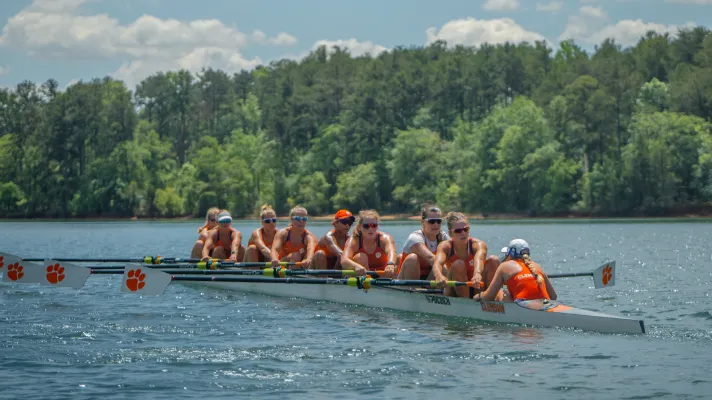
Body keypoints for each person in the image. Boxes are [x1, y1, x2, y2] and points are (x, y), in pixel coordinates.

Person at [473, 239, 557, 302]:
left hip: (524, 306)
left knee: (500, 292)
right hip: (545, 303)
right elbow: (553, 297)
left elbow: (489, 297)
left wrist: (479, 296)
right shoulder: (537, 267)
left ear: (510, 253)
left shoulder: (504, 266)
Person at [431, 212, 492, 298]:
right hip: (454, 289)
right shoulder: (445, 246)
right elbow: (437, 264)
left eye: (466, 229)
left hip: (476, 286)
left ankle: (488, 298)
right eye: (458, 231)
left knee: (494, 260)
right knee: (459, 264)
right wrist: (439, 276)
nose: (463, 233)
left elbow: (480, 259)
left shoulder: (478, 244)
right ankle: (465, 302)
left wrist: (477, 274)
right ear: (451, 233)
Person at [397, 203, 450, 280]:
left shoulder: (443, 237)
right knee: (412, 258)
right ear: (422, 221)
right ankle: (413, 289)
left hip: (429, 279)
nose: (436, 224)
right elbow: (431, 258)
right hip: (407, 279)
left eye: (439, 221)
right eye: (431, 221)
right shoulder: (415, 238)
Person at [341, 210, 398, 278]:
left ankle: (398, 286)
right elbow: (344, 260)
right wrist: (356, 266)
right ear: (360, 227)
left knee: (399, 258)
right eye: (366, 226)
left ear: (377, 226)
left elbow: (391, 252)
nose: (370, 229)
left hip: (382, 274)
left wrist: (390, 264)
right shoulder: (354, 240)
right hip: (363, 276)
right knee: (360, 257)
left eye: (374, 225)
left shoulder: (385, 238)